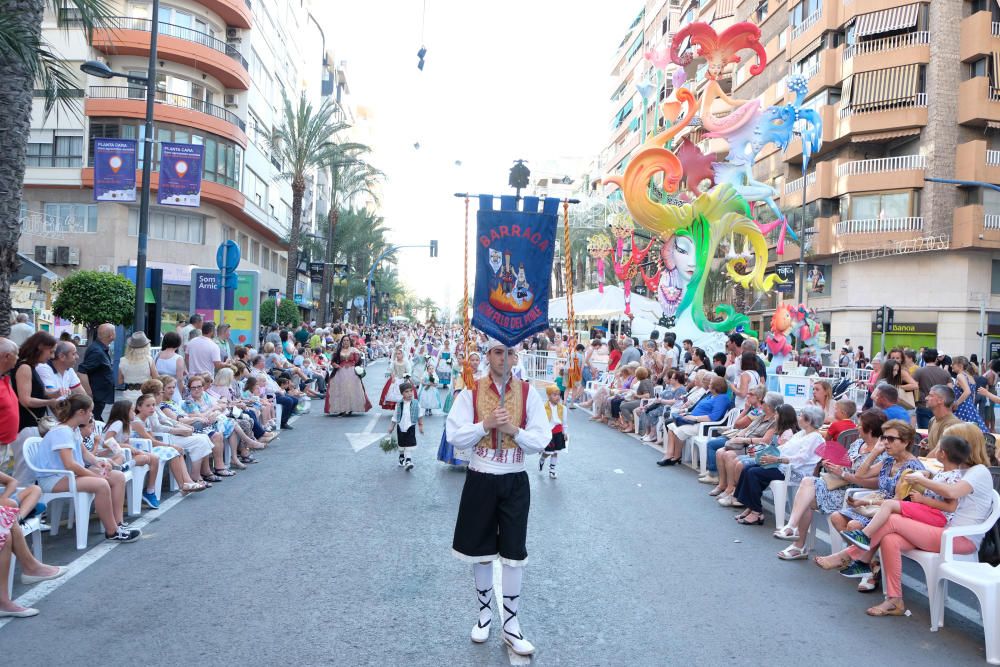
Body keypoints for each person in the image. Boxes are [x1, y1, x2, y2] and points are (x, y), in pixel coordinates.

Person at [445, 339, 549, 657]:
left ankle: (512, 625)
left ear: (516, 356)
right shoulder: (471, 392)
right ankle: (485, 615)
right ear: (489, 355)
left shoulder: (529, 393)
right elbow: (454, 435)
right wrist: (485, 425)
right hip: (481, 477)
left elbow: (542, 440)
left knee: (514, 552)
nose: (504, 358)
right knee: (480, 551)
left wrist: (514, 431)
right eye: (498, 352)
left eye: (509, 352)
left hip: (515, 478)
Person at [815, 433, 996, 617]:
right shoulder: (960, 471)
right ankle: (894, 600)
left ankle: (850, 555)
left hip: (958, 538)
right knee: (890, 539)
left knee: (892, 518)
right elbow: (942, 480)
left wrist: (921, 479)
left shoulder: (978, 471)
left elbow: (951, 492)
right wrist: (925, 475)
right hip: (942, 531)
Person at [775, 409, 887, 558]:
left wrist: (844, 474)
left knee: (805, 498)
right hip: (840, 484)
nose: (856, 427)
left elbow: (877, 483)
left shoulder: (884, 452)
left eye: (859, 425)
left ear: (870, 429)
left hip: (855, 493)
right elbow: (847, 464)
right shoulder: (858, 443)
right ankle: (792, 528)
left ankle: (798, 543)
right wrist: (833, 466)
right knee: (807, 483)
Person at [34, 394, 141, 542]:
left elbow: (85, 454)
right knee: (101, 484)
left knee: (117, 477)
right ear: (80, 412)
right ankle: (112, 532)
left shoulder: (73, 429)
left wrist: (99, 462)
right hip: (53, 478)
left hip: (67, 475)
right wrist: (95, 476)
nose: (92, 414)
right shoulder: (62, 432)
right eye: (90, 411)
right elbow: (70, 464)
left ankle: (118, 523)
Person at [839, 436, 969, 551]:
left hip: (938, 516)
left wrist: (923, 500)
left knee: (890, 505)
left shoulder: (954, 477)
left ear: (943, 454)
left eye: (937, 449)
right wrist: (926, 476)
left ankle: (865, 536)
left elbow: (951, 507)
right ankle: (864, 552)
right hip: (929, 511)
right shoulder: (944, 472)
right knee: (891, 508)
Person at [658, 375, 730, 466]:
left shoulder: (722, 398)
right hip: (694, 421)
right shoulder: (712, 396)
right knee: (671, 427)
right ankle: (669, 455)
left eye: (711, 383)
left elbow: (713, 417)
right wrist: (688, 414)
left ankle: (676, 457)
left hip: (703, 425)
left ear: (717, 386)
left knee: (678, 430)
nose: (709, 385)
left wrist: (694, 418)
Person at [77, 322, 116, 421]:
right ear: (111, 335)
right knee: (94, 420)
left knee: (97, 420)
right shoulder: (97, 351)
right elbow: (82, 371)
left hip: (100, 396)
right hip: (97, 396)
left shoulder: (100, 348)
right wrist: (88, 393)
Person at [325, 335, 371, 416]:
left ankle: (349, 408)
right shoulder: (338, 350)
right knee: (341, 390)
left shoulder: (354, 350)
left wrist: (356, 367)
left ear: (350, 342)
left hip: (352, 372)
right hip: (340, 372)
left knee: (351, 390)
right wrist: (335, 365)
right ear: (342, 342)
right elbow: (333, 361)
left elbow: (358, 362)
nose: (346, 342)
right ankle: (342, 409)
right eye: (344, 340)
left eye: (347, 340)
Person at [913, 348, 951, 429]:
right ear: (936, 358)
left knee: (925, 433)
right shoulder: (945, 373)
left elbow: (914, 387)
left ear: (923, 358)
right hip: (941, 406)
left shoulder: (919, 372)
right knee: (940, 432)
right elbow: (950, 390)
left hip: (923, 405)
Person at [117, 331, 158, 403]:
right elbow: (156, 379)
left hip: (128, 395)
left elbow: (120, 381)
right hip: (145, 395)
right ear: (146, 346)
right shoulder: (149, 360)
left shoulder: (122, 360)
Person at [951, 356, 988, 433]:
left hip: (961, 408)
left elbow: (967, 391)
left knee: (960, 432)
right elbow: (973, 396)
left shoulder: (960, 376)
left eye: (953, 363)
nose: (951, 365)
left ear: (960, 365)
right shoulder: (970, 377)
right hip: (970, 407)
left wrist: (956, 403)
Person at [390, 382, 422, 471]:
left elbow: (420, 415)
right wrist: (391, 426)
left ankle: (408, 461)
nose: (409, 393)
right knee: (401, 444)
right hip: (400, 426)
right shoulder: (399, 404)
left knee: (409, 443)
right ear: (402, 393)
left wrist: (420, 425)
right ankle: (401, 457)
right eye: (406, 392)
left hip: (410, 426)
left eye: (411, 391)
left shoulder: (416, 403)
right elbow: (395, 416)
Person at [922, 384, 961, 455]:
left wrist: (919, 463)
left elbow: (939, 451)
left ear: (940, 400)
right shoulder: (933, 420)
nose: (926, 398)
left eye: (930, 395)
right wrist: (926, 442)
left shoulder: (952, 424)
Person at [538, 384, 567, 479]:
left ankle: (552, 470)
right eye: (554, 395)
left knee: (556, 452)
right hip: (548, 432)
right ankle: (542, 459)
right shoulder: (543, 407)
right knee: (547, 452)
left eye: (558, 394)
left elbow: (564, 422)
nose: (557, 397)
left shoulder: (563, 408)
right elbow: (540, 422)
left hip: (558, 432)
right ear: (549, 396)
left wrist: (565, 432)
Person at [379, 347, 412, 411]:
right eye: (397, 354)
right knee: (393, 392)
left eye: (399, 354)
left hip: (403, 379)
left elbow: (408, 371)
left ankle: (405, 406)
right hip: (396, 379)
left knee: (405, 392)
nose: (397, 355)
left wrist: (406, 378)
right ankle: (397, 408)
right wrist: (393, 377)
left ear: (402, 355)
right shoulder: (394, 362)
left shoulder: (406, 362)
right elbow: (391, 370)